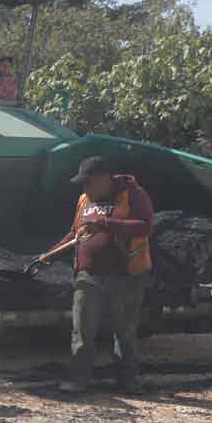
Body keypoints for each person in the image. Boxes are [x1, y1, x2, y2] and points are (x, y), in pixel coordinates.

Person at [43, 156, 153, 394]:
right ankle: (78, 379)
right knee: (82, 330)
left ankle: (129, 380)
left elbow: (144, 226)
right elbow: (75, 233)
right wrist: (49, 254)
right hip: (88, 276)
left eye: (88, 182)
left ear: (105, 179)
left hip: (125, 276)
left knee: (125, 332)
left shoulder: (133, 195)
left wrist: (106, 223)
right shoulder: (84, 200)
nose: (85, 187)